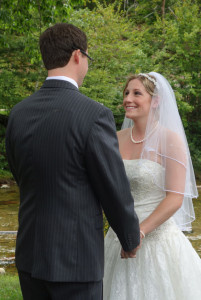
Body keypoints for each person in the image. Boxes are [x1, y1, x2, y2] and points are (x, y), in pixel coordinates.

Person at [5, 23, 140, 300]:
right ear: (78, 55)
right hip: (75, 259)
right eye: (88, 58)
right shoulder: (94, 114)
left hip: (30, 254)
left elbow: (22, 175)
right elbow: (112, 186)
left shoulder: (18, 114)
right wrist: (129, 238)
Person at [103, 72, 201, 299]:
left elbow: (175, 198)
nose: (128, 98)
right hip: (116, 238)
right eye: (127, 93)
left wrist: (139, 232)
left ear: (155, 101)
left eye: (137, 93)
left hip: (155, 239)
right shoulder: (114, 138)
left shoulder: (170, 140)